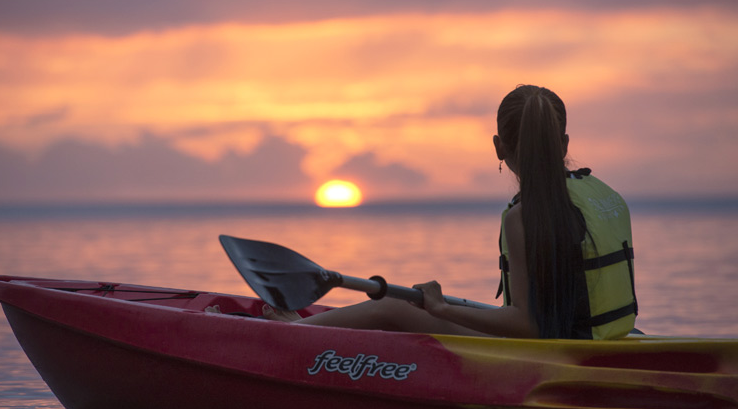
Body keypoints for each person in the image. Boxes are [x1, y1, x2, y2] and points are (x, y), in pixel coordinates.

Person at [230, 85, 638, 339]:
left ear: (499, 147)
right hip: (601, 338)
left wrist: (442, 310)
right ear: (564, 143)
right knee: (410, 305)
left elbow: (528, 327)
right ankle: (307, 327)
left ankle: (292, 334)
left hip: (550, 353)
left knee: (391, 307)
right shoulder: (607, 196)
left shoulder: (523, 217)